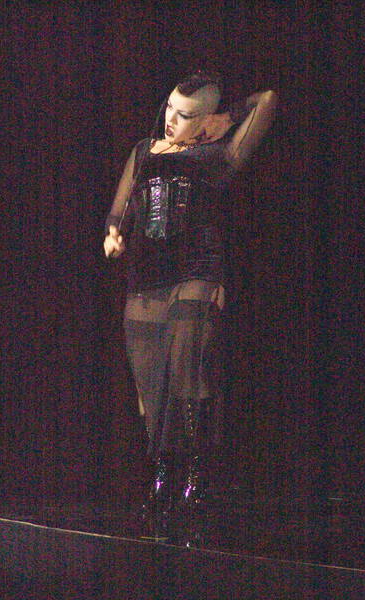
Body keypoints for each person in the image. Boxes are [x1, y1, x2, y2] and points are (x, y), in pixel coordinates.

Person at [104, 71, 278, 532]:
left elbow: (266, 99)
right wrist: (113, 234)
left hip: (197, 270)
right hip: (146, 278)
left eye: (185, 115)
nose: (171, 120)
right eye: (169, 108)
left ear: (203, 120)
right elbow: (121, 207)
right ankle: (164, 468)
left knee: (186, 367)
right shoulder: (144, 150)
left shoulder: (216, 155)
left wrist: (227, 117)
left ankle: (196, 473)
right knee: (149, 383)